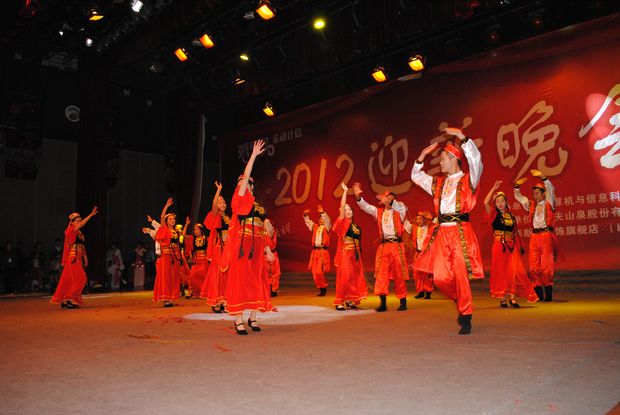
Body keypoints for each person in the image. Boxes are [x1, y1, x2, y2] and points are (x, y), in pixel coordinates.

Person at [411, 127, 483, 335]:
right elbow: (417, 176)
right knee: (440, 278)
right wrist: (421, 156)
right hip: (442, 233)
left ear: (454, 158)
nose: (440, 163)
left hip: (460, 231)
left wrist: (462, 137)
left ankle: (466, 315)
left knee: (460, 275)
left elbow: (476, 161)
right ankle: (460, 299)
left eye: (442, 159)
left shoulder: (469, 180)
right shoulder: (438, 183)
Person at [224, 140, 276, 334]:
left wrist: (268, 250)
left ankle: (253, 318)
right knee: (240, 281)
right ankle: (238, 320)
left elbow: (263, 233)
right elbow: (246, 176)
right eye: (240, 183)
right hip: (242, 246)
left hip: (257, 247)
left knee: (256, 280)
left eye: (246, 183)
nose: (243, 184)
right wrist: (253, 155)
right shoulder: (239, 201)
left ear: (252, 187)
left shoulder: (259, 208)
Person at [353, 184, 410, 312]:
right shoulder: (378, 212)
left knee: (399, 274)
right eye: (387, 197)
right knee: (381, 274)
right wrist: (357, 196)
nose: (388, 199)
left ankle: (403, 301)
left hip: (396, 247)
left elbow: (400, 206)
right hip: (384, 247)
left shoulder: (399, 211)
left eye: (391, 198)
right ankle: (383, 303)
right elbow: (366, 207)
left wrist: (391, 201)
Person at [484, 180, 538, 307]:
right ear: (495, 204)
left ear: (506, 202)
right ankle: (503, 298)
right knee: (502, 272)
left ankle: (512, 298)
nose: (500, 203)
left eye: (502, 201)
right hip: (499, 246)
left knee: (513, 271)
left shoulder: (511, 216)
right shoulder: (493, 214)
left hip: (511, 247)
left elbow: (515, 233)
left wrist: (518, 246)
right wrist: (493, 188)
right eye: (497, 202)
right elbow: (485, 202)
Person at [513, 169, 558, 302]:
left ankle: (548, 293)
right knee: (533, 266)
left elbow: (551, 189)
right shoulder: (531, 205)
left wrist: (543, 177)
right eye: (533, 193)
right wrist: (517, 186)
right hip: (534, 236)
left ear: (544, 194)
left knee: (546, 266)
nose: (535, 195)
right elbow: (520, 198)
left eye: (537, 193)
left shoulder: (549, 203)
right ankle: (538, 293)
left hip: (546, 235)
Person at [50, 206, 98, 308]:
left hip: (78, 258)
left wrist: (85, 257)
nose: (79, 222)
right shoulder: (70, 230)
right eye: (77, 221)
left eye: (80, 220)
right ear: (72, 222)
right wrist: (90, 215)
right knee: (82, 278)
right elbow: (81, 225)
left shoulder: (78, 233)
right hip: (73, 258)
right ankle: (70, 298)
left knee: (71, 279)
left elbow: (81, 246)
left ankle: (65, 300)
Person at [332, 183, 368, 310]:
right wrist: (345, 192)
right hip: (346, 254)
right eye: (345, 210)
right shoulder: (342, 223)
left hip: (355, 255)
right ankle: (339, 302)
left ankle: (351, 300)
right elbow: (342, 207)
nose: (347, 211)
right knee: (345, 278)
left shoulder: (356, 226)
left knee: (355, 278)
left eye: (350, 210)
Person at [201, 181, 230, 313]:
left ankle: (225, 301)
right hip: (219, 248)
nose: (222, 204)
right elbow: (213, 206)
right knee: (218, 275)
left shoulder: (229, 218)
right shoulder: (216, 216)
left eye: (223, 202)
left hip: (228, 248)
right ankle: (216, 301)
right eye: (220, 202)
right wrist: (219, 190)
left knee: (227, 275)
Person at [152, 197, 185, 307]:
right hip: (167, 257)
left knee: (173, 277)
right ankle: (166, 299)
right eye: (170, 219)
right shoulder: (165, 229)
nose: (172, 220)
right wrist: (166, 206)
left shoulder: (175, 231)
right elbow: (162, 217)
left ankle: (171, 297)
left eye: (173, 219)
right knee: (166, 277)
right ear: (166, 221)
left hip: (175, 257)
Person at [303, 205, 331, 296]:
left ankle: (324, 287)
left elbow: (328, 220)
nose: (320, 220)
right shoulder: (315, 227)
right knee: (314, 272)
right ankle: (321, 288)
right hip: (315, 252)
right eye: (320, 218)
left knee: (319, 271)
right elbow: (308, 222)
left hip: (322, 252)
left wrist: (322, 212)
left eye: (322, 218)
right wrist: (305, 215)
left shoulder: (326, 228)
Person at [410, 211, 434, 300]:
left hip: (427, 253)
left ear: (424, 220)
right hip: (418, 253)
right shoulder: (415, 229)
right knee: (417, 273)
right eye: (417, 219)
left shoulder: (430, 229)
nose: (418, 221)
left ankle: (428, 292)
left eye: (420, 219)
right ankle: (420, 291)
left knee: (426, 274)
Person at [184, 217, 209, 299]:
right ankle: (195, 293)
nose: (195, 231)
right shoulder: (192, 239)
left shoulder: (206, 239)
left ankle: (204, 293)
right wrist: (186, 224)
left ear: (201, 230)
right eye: (194, 230)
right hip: (196, 260)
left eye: (197, 229)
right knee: (192, 276)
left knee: (204, 276)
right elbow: (183, 235)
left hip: (204, 260)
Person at [263, 215, 281, 297]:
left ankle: (274, 290)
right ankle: (268, 289)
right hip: (264, 255)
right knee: (266, 274)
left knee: (275, 273)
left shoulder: (270, 232)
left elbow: (267, 225)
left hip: (272, 254)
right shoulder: (261, 233)